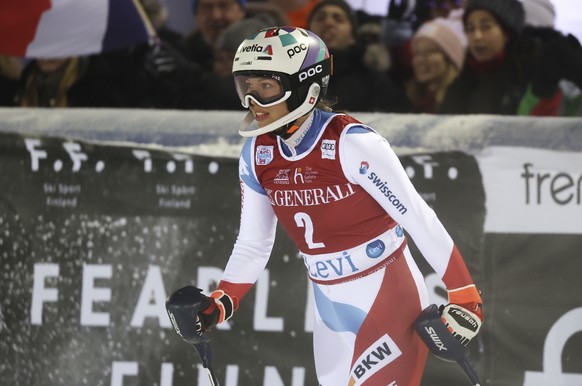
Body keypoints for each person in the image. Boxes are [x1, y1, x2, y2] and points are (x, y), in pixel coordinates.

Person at [170, 26, 484, 385]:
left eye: (266, 87)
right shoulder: (257, 154)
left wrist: (465, 295)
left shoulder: (354, 144)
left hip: (387, 296)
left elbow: (417, 217)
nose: (252, 102)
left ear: (307, 87)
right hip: (328, 306)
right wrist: (223, 300)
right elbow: (253, 243)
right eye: (247, 87)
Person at [439, 0, 573, 115]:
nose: (477, 36)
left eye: (486, 27)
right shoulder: (463, 82)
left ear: (507, 33)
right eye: (470, 29)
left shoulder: (533, 76)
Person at [307, 0, 411, 112]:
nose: (328, 23)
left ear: (353, 38)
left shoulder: (374, 82)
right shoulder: (292, 75)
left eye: (338, 19)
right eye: (320, 18)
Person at [406, 17, 467, 113]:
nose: (420, 59)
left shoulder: (461, 100)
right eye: (417, 53)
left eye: (430, 51)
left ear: (451, 59)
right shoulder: (413, 98)